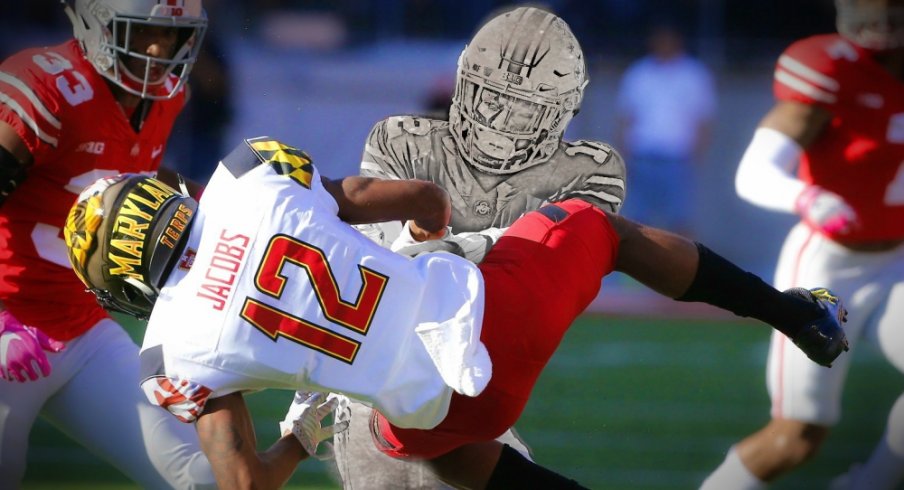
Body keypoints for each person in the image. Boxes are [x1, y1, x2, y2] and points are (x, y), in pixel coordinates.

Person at [62, 135, 849, 489]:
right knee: (600, 229)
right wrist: (432, 239)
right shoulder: (243, 176)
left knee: (434, 449)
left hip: (444, 409)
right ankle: (792, 314)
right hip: (495, 315)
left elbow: (244, 489)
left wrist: (301, 437)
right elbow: (420, 198)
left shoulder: (169, 354)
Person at [337, 6, 628, 488]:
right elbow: (381, 257)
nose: (500, 119)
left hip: (478, 374)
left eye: (526, 107)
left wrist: (444, 248)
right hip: (385, 377)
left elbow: (545, 267)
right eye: (490, 98)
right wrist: (481, 246)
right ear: (464, 85)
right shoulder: (404, 141)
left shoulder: (589, 171)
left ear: (560, 112)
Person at [0, 0, 218, 487]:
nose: (160, 48)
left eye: (172, 34)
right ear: (97, 22)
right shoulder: (43, 88)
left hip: (81, 329)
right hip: (10, 324)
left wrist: (216, 202)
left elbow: (127, 174)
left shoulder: (165, 97)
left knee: (200, 478)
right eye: (143, 32)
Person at [700, 0, 904, 488]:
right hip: (830, 266)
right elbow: (754, 172)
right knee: (797, 437)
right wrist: (806, 196)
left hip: (899, 258)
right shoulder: (833, 69)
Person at [614, 19, 716, 236]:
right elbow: (626, 117)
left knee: (680, 220)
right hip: (642, 157)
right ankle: (634, 270)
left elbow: (703, 120)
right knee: (635, 221)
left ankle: (683, 269)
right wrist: (623, 157)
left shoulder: (694, 74)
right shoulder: (639, 73)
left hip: (677, 159)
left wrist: (696, 157)